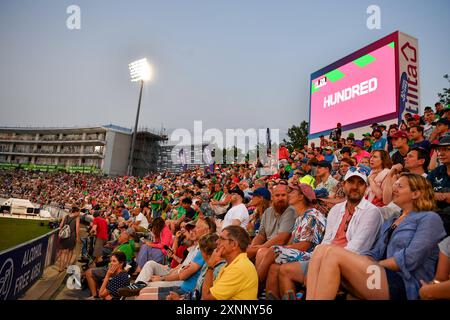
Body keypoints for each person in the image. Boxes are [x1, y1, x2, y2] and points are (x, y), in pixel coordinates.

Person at [306, 173, 446, 300]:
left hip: (405, 284)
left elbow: (409, 259)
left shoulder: (429, 218)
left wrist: (374, 266)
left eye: (400, 186)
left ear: (415, 193)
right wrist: (365, 261)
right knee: (321, 249)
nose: (394, 188)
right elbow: (374, 252)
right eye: (395, 185)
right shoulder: (391, 221)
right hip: (379, 275)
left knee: (332, 253)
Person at [263, 183, 326, 299]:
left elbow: (304, 245)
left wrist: (282, 250)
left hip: (313, 256)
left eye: (292, 192)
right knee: (273, 267)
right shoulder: (300, 217)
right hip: (302, 254)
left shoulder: (312, 215)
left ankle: (253, 286)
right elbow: (291, 242)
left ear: (301, 196)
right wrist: (285, 249)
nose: (288, 194)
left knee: (273, 250)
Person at [202, 225, 259, 300]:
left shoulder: (239, 268)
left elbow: (207, 297)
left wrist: (210, 266)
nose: (217, 242)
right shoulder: (231, 264)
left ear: (234, 245)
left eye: (221, 239)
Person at [166, 233, 226, 300]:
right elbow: (197, 292)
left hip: (184, 290)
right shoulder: (207, 264)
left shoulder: (217, 268)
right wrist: (181, 298)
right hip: (186, 294)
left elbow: (205, 297)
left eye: (200, 250)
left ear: (204, 252)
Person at [247, 183, 297, 260]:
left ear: (288, 197)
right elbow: (261, 235)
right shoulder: (267, 212)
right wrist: (253, 246)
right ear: (272, 197)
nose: (280, 198)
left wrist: (258, 248)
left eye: (283, 195)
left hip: (279, 249)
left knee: (259, 252)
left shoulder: (290, 211)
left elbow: (281, 239)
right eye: (277, 196)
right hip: (266, 246)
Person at [57, 206, 80, 272]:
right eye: (79, 212)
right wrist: (78, 237)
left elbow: (61, 225)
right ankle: (67, 265)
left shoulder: (66, 216)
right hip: (71, 237)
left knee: (63, 252)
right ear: (76, 211)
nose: (79, 213)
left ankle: (60, 268)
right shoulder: (77, 218)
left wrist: (60, 234)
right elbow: (77, 229)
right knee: (70, 251)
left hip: (63, 236)